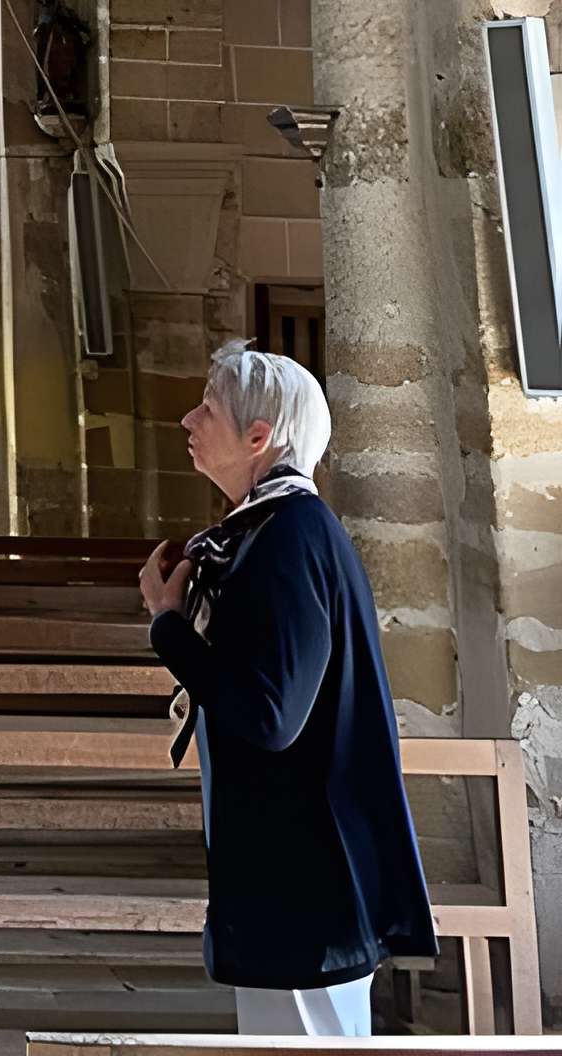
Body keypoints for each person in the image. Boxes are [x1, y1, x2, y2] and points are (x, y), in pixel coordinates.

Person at [139, 342, 436, 1037]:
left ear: (258, 436)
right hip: (287, 877)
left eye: (207, 410)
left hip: (308, 883)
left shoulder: (290, 538)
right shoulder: (271, 532)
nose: (187, 420)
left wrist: (169, 629)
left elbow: (271, 713)